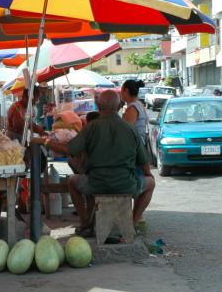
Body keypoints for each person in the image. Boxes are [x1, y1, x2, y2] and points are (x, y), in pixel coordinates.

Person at [32, 90, 156, 234]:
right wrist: (148, 174)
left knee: (72, 181)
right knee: (151, 183)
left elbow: (69, 149)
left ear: (98, 105)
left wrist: (45, 141)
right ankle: (133, 224)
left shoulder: (91, 127)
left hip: (95, 184)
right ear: (119, 106)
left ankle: (86, 223)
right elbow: (144, 161)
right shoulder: (130, 129)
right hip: (126, 184)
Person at [121, 79, 148, 144]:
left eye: (121, 90)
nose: (120, 93)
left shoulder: (133, 108)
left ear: (126, 90)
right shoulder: (139, 104)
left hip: (135, 145)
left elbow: (126, 131)